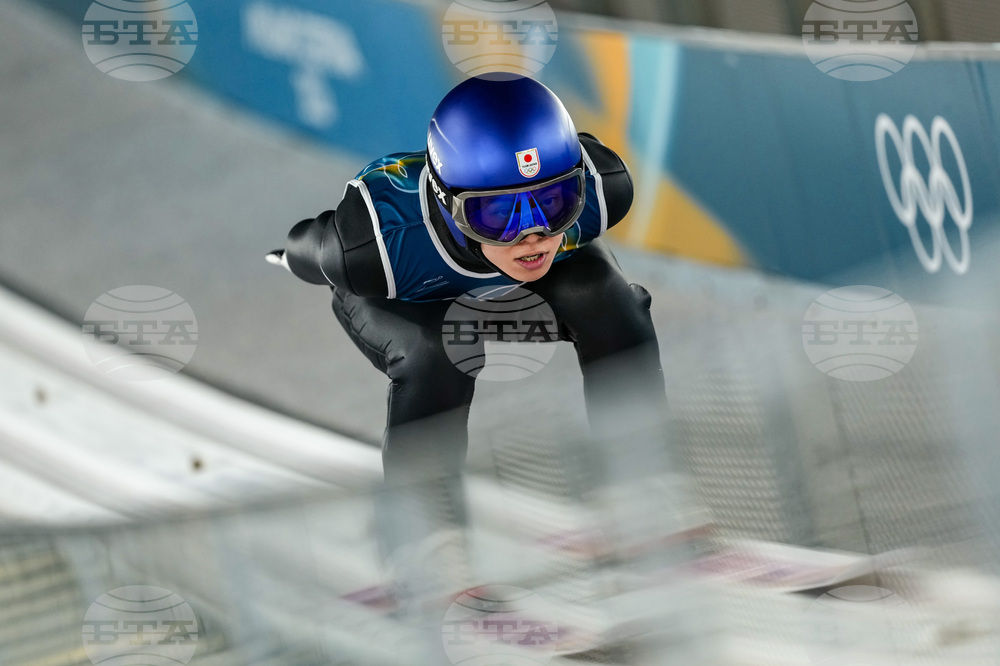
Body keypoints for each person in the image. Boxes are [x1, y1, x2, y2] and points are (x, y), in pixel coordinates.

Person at [268, 75, 667, 602]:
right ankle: (424, 540)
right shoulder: (372, 246)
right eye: (497, 213)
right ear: (445, 202)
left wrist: (515, 218)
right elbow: (309, 246)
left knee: (608, 296)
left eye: (552, 203)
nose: (532, 235)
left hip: (515, 298)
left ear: (576, 186)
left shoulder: (600, 188)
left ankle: (642, 485)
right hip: (408, 300)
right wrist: (290, 257)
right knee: (435, 351)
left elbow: (556, 207)